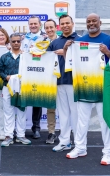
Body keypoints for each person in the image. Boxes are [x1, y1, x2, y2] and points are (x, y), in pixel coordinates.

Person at [63, 13, 110, 165]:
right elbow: (69, 63)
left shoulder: (109, 40)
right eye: (88, 22)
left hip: (103, 87)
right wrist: (66, 50)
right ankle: (80, 148)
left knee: (105, 121)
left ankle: (108, 152)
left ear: (100, 22)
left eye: (94, 21)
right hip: (83, 86)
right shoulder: (79, 41)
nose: (91, 23)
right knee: (81, 120)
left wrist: (107, 52)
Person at [47, 15, 79, 150]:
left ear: (73, 23)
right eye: (63, 24)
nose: (65, 25)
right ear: (59, 26)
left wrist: (66, 52)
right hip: (59, 82)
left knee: (76, 113)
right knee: (63, 113)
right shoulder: (55, 42)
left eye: (68, 23)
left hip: (75, 82)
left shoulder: (80, 40)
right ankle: (64, 141)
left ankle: (79, 143)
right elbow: (46, 60)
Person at [0, 33, 31, 146]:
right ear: (10, 42)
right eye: (14, 41)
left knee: (22, 111)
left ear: (21, 42)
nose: (16, 43)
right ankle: (8, 136)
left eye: (18, 41)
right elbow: (0, 71)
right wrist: (6, 77)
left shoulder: (26, 56)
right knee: (8, 111)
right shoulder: (4, 57)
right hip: (7, 87)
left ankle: (21, 135)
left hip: (23, 87)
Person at [21, 16, 47, 139]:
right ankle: (20, 128)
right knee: (23, 99)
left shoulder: (45, 37)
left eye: (35, 24)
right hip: (25, 72)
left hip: (39, 72)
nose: (33, 26)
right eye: (31, 24)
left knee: (37, 101)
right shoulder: (23, 38)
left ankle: (36, 128)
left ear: (39, 24)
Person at [43, 19, 60, 144]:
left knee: (66, 108)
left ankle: (67, 132)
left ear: (56, 27)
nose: (49, 30)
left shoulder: (63, 41)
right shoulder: (41, 43)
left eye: (51, 27)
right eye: (47, 28)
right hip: (48, 79)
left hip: (63, 78)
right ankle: (51, 132)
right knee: (51, 108)